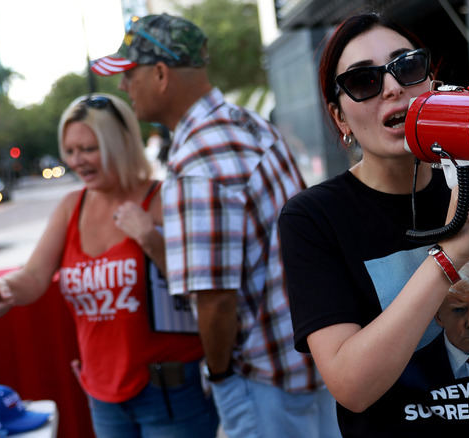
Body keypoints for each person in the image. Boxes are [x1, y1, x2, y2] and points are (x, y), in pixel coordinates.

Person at [278, 12, 469, 437]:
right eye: (364, 81)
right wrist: (452, 253)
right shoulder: (313, 218)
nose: (393, 87)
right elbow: (352, 386)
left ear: (430, 83)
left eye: (407, 66)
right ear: (340, 118)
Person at [90, 13, 339, 438]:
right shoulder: (248, 124)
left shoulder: (196, 162)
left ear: (161, 74)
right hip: (312, 357)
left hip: (264, 378)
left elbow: (215, 300)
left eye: (130, 74)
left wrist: (221, 376)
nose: (123, 86)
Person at [0, 93, 219, 437]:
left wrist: (150, 239)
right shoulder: (72, 206)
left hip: (170, 393)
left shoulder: (162, 199)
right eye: (70, 150)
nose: (77, 160)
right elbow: (35, 276)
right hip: (102, 394)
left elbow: (206, 288)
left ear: (120, 144)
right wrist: (4, 287)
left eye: (89, 148)